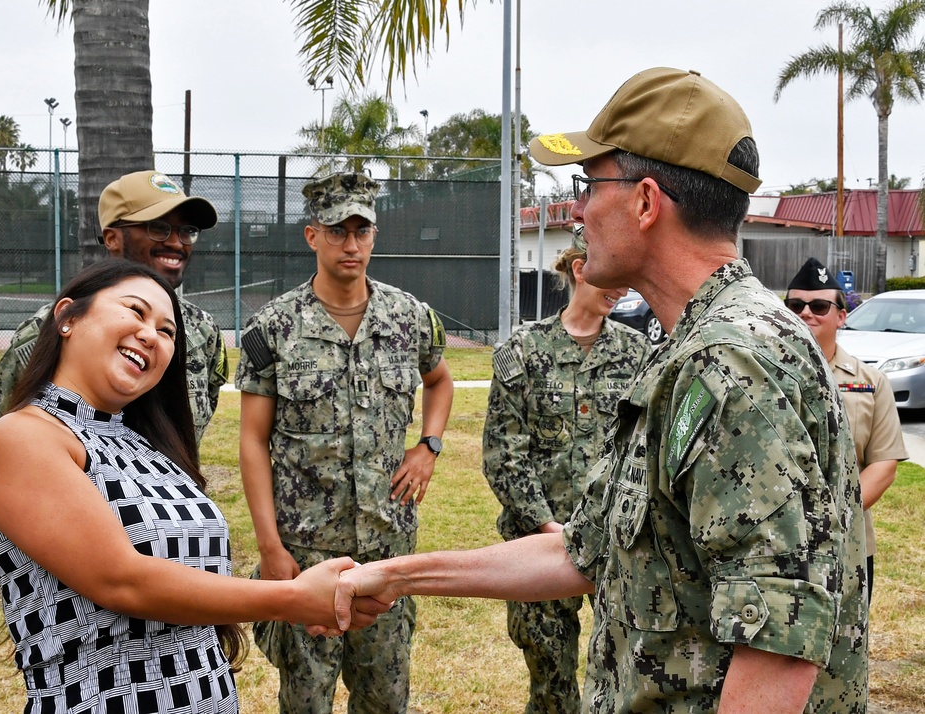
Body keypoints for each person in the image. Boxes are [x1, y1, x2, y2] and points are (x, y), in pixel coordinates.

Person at [333, 67, 867, 713]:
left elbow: (777, 642)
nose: (579, 210)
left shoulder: (731, 360)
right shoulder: (691, 348)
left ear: (645, 202)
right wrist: (393, 575)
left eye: (590, 185)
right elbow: (583, 549)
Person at [0, 259, 383, 713]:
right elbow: (123, 581)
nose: (152, 335)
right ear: (68, 317)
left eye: (167, 331)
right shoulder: (22, 437)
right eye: (135, 311)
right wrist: (292, 599)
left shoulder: (145, 444)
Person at [235, 171, 454, 713]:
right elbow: (251, 441)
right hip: (306, 552)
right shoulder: (275, 328)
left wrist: (428, 445)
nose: (351, 244)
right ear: (312, 236)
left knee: (385, 699)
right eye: (337, 230)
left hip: (386, 551)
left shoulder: (409, 319)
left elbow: (440, 380)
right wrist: (270, 550)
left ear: (375, 235)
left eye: (362, 229)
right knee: (306, 701)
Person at [482, 230, 649, 713]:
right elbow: (502, 453)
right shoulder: (525, 350)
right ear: (580, 270)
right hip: (540, 544)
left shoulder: (637, 353)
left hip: (616, 543)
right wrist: (547, 524)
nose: (620, 291)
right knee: (551, 677)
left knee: (624, 670)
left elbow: (641, 448)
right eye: (611, 280)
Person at [0, 170, 228, 443]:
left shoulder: (202, 329)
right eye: (158, 228)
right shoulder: (50, 327)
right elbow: (4, 438)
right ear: (112, 238)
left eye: (187, 231)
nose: (175, 243)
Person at [786, 256, 906, 603]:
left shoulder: (870, 382)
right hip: (770, 543)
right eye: (796, 305)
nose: (806, 313)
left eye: (819, 306)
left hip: (847, 541)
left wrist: (831, 518)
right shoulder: (760, 374)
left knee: (843, 647)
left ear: (841, 316)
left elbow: (884, 464)